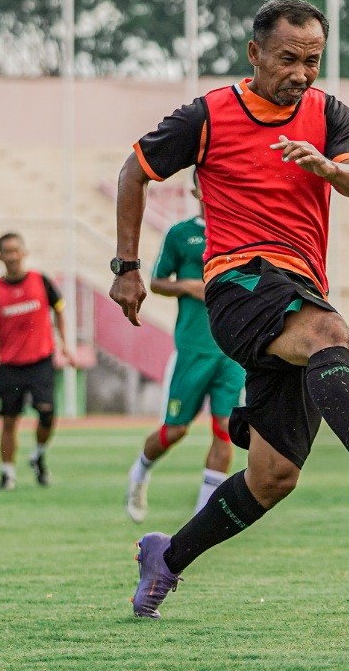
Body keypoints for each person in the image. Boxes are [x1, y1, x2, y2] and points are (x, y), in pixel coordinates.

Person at [110, 0, 349, 619]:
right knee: (329, 330)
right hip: (236, 284)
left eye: (312, 60)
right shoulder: (207, 115)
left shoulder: (329, 113)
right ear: (254, 53)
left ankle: (166, 558)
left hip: (295, 288)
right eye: (289, 59)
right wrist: (127, 267)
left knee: (272, 478)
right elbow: (135, 171)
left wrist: (328, 169)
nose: (302, 72)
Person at [125, 174, 246, 523]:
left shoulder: (243, 229)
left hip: (232, 349)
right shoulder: (181, 234)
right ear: (196, 189)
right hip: (193, 347)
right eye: (207, 182)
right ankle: (140, 472)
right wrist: (191, 286)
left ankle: (202, 514)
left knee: (226, 428)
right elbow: (158, 282)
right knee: (175, 431)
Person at [0, 232, 76, 490]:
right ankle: (7, 474)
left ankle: (37, 455)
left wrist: (65, 345)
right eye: (8, 251)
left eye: (16, 250)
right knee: (9, 420)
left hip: (40, 361)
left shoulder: (42, 282)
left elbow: (60, 311)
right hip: (11, 366)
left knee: (47, 414)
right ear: (0, 256)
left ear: (24, 253)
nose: (12, 256)